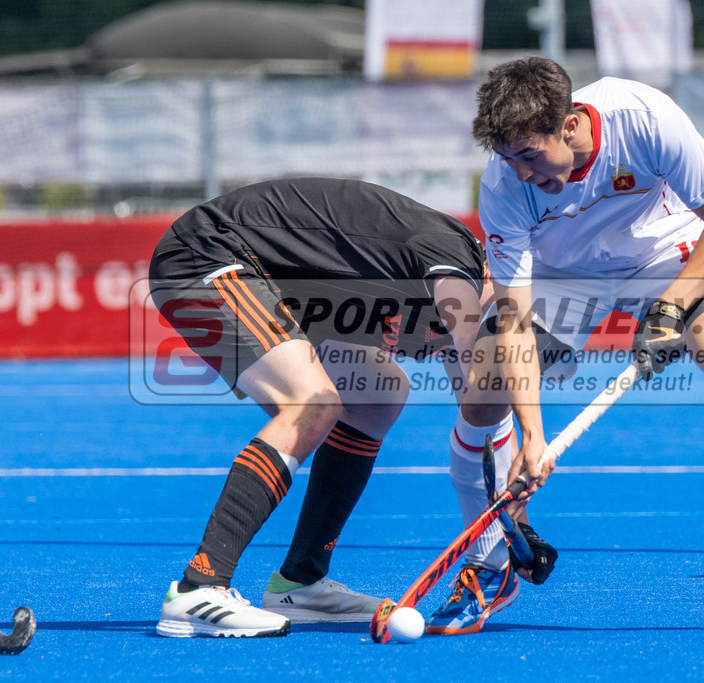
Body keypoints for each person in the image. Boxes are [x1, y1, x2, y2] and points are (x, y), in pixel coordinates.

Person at [425, 57, 704, 635]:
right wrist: (532, 439)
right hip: (564, 274)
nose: (522, 172)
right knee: (483, 392)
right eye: (509, 159)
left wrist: (671, 307)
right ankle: (489, 565)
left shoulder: (644, 116)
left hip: (663, 254)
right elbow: (513, 317)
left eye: (530, 157)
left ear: (568, 125)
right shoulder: (505, 180)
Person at [148, 177, 502, 638]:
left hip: (271, 282)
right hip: (208, 254)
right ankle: (199, 587)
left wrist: (513, 519)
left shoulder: (462, 297)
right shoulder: (455, 258)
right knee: (312, 401)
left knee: (380, 393)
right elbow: (476, 356)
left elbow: (481, 419)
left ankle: (300, 581)